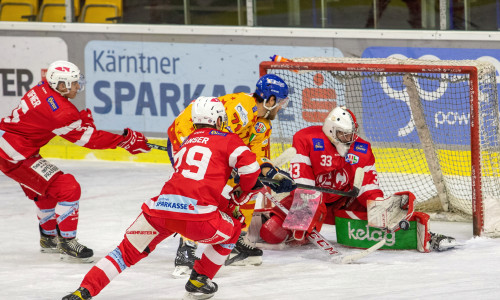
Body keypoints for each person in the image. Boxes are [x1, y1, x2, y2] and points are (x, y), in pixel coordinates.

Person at [62, 96, 265, 300]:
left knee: (123, 253)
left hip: (159, 210)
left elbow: (191, 181)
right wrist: (243, 192)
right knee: (234, 229)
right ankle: (199, 279)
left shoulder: (186, 143)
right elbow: (251, 170)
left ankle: (83, 291)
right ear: (220, 121)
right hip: (198, 218)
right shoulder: (229, 139)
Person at [0, 60, 151, 262]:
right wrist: (125, 141)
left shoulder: (42, 87)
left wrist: (80, 123)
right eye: (74, 83)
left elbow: (59, 119)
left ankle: (48, 238)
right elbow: (89, 140)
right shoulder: (60, 113)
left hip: (13, 147)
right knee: (68, 188)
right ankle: (67, 242)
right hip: (14, 155)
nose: (78, 87)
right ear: (61, 85)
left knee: (45, 189)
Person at [259, 106, 457, 253]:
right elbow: (304, 185)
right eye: (343, 134)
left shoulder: (362, 148)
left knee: (380, 212)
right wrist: (303, 218)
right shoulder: (306, 138)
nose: (348, 139)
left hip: (342, 203)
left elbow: (368, 186)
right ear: (330, 130)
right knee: (271, 233)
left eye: (350, 134)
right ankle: (261, 219)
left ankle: (424, 234)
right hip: (308, 200)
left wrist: (378, 204)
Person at [167, 74, 295, 275]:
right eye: (280, 102)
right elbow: (214, 137)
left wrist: (273, 174)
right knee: (202, 188)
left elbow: (256, 157)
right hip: (186, 138)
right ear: (270, 100)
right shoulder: (241, 107)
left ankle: (235, 241)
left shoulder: (263, 124)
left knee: (251, 186)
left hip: (215, 147)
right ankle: (186, 248)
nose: (280, 108)